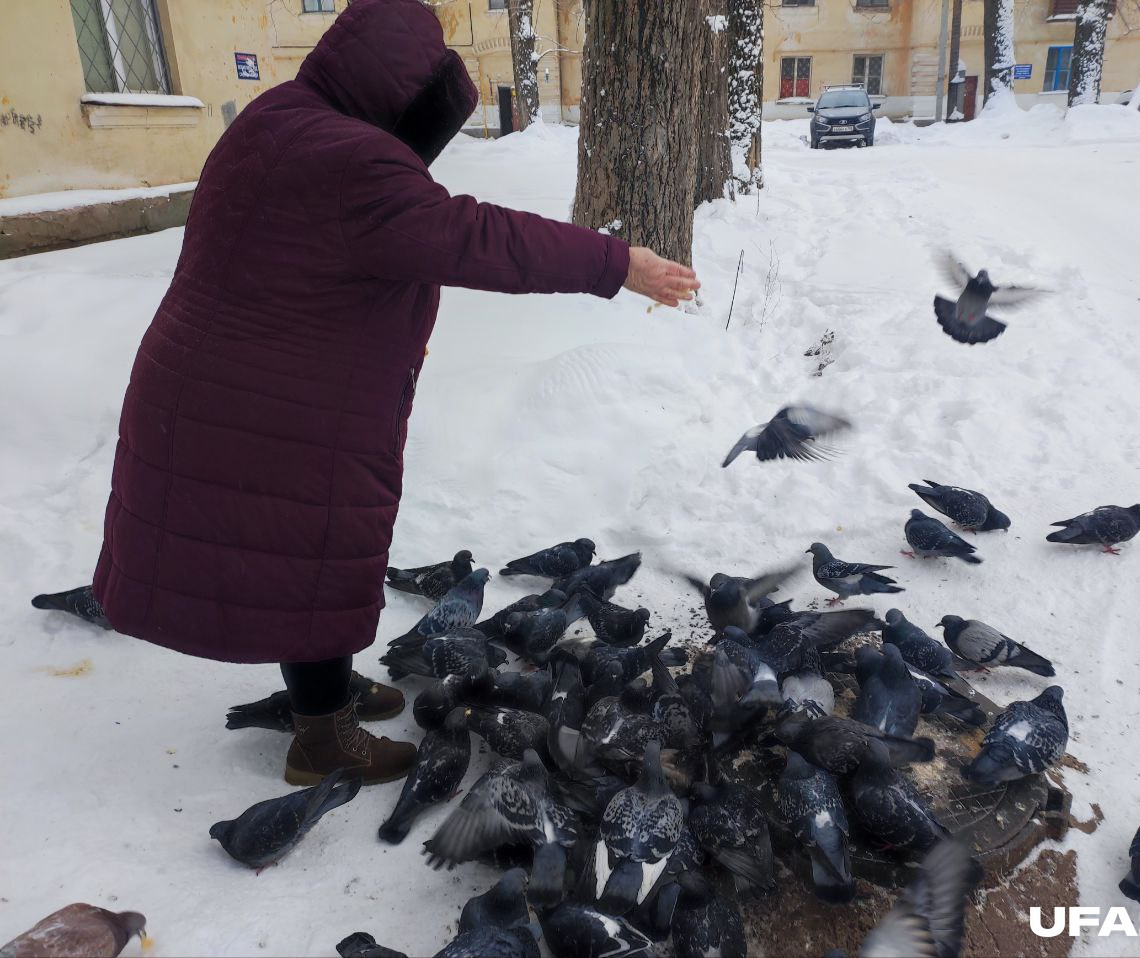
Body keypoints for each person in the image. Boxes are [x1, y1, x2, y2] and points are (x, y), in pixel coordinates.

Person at [87, 0, 698, 786]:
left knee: (291, 554)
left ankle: (324, 694)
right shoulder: (353, 163)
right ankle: (324, 741)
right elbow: (478, 238)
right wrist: (620, 266)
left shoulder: (281, 117)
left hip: (227, 382)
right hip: (275, 401)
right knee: (314, 554)